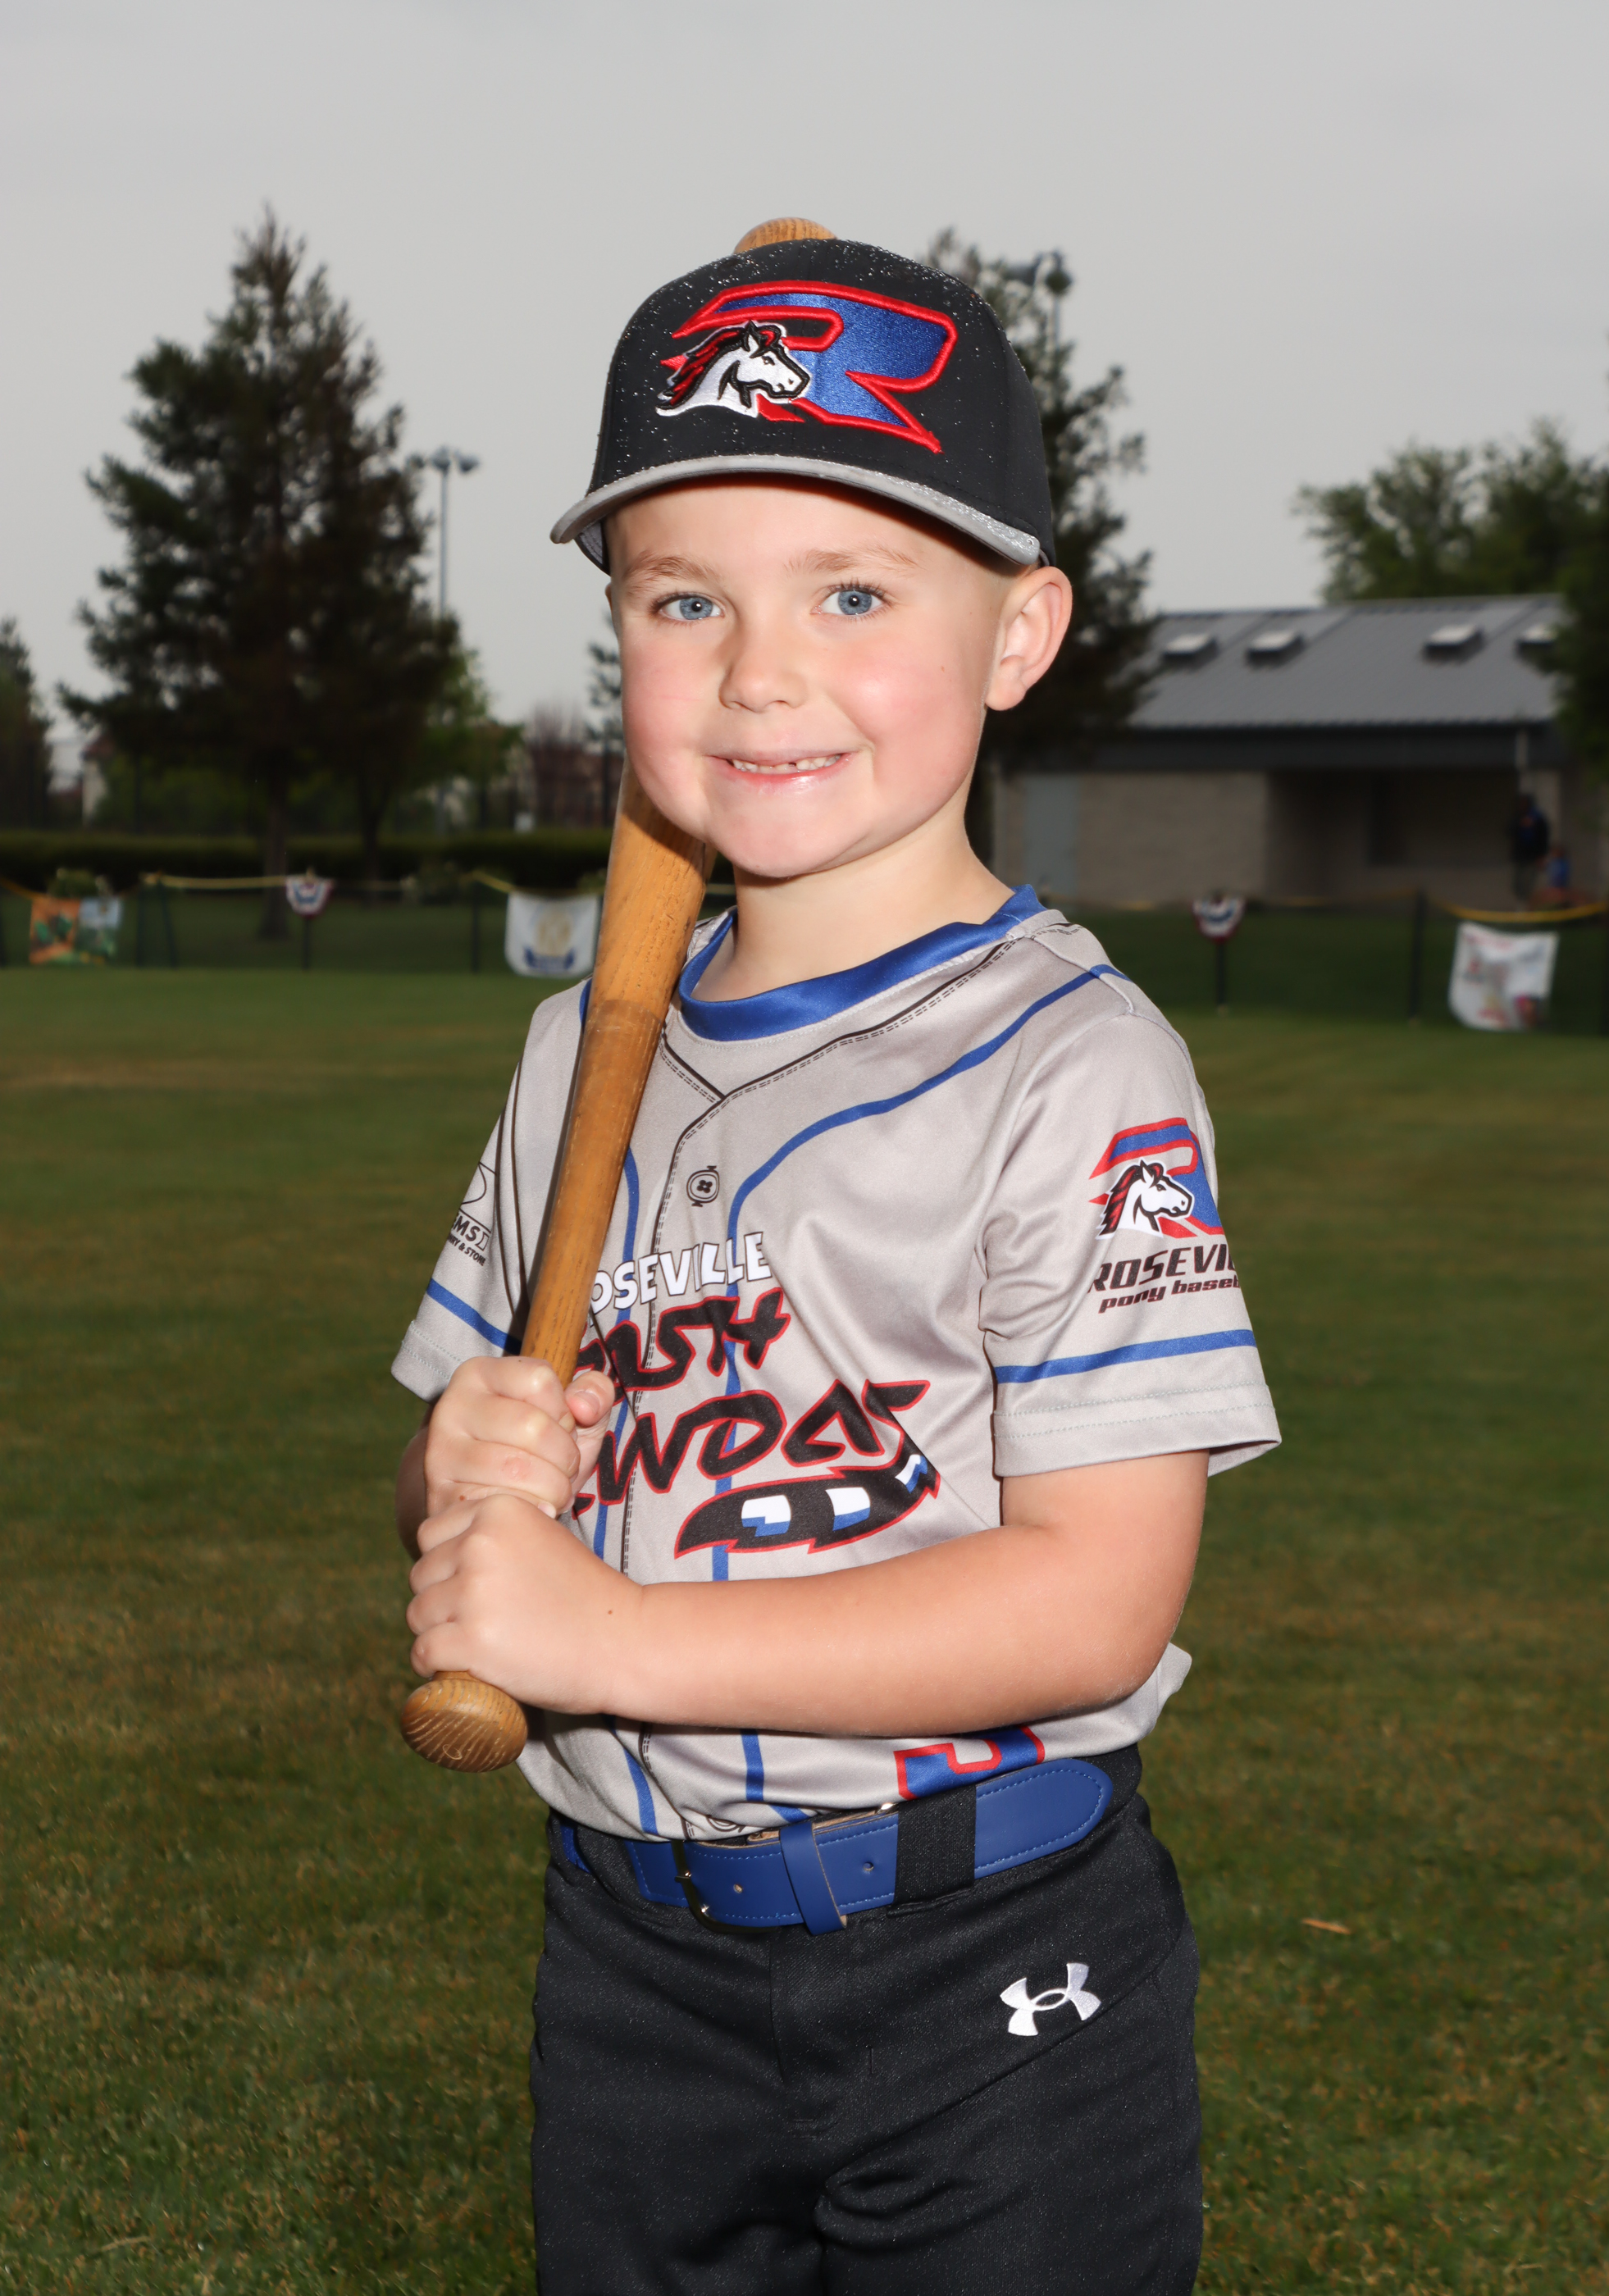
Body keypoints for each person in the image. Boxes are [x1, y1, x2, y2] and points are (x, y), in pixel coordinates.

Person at [391, 225, 1279, 2296]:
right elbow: (469, 1486)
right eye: (682, 597)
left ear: (1018, 631)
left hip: (986, 1960)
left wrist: (608, 1637)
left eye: (852, 592)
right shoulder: (576, 1057)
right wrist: (463, 1474)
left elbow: (1092, 1598)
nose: (757, 671)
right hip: (633, 1954)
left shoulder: (1074, 1066)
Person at [1509, 790, 1551, 903]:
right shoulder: (1517, 817)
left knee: (1529, 883)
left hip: (1533, 856)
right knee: (1517, 884)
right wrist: (1520, 824)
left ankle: (1527, 904)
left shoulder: (1538, 818)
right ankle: (1521, 902)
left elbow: (1543, 837)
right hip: (1520, 856)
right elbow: (1509, 830)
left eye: (1524, 803)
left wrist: (1542, 856)